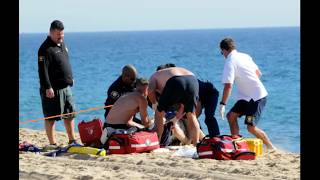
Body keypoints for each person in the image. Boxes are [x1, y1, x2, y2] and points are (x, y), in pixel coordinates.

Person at [218, 37, 276, 150]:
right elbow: (258, 73)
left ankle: (271, 147)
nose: (222, 55)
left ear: (224, 50)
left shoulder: (230, 62)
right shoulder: (245, 56)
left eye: (221, 52)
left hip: (257, 98)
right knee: (231, 116)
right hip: (246, 98)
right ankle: (236, 144)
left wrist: (222, 104)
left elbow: (228, 86)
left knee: (251, 127)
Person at [38, 20, 77, 148]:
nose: (61, 37)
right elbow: (42, 71)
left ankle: (72, 140)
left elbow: (65, 63)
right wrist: (48, 87)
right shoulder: (45, 49)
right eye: (58, 35)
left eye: (62, 34)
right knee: (51, 117)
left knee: (70, 114)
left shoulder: (62, 44)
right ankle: (52, 143)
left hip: (66, 87)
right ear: (51, 32)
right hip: (53, 89)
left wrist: (70, 78)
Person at [157, 63, 220, 138]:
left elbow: (197, 108)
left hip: (210, 94)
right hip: (197, 97)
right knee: (190, 117)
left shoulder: (185, 82)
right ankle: (199, 138)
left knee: (208, 116)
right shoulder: (173, 84)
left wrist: (190, 119)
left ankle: (215, 137)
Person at [148, 66, 201, 145]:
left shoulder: (153, 76)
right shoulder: (167, 73)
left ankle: (157, 142)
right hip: (193, 80)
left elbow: (150, 90)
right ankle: (197, 144)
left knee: (159, 114)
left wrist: (154, 103)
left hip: (175, 81)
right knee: (192, 115)